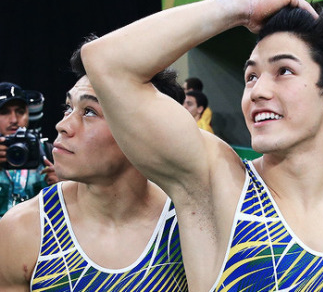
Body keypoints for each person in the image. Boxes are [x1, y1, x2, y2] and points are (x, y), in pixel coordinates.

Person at [81, 0, 323, 290]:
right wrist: (239, 7)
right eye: (250, 76)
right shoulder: (216, 186)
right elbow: (106, 62)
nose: (257, 91)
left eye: (284, 71)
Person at [0, 37, 188, 291]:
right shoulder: (22, 229)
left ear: (142, 132)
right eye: (68, 108)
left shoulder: (186, 226)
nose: (62, 125)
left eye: (89, 112)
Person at [0, 82, 55, 218]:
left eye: (20, 111)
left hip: (37, 235)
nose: (14, 119)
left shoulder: (51, 153)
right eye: (4, 112)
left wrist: (65, 187)